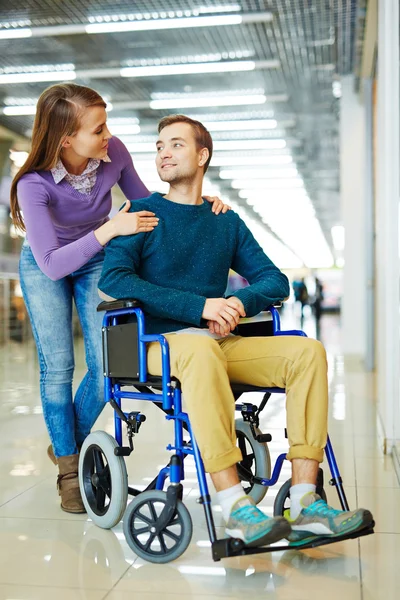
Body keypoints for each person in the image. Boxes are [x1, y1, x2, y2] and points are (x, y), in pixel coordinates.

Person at [98, 114, 373, 548]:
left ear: (202, 155)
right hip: (156, 345)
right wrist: (199, 306)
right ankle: (235, 506)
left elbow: (274, 280)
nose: (163, 153)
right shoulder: (142, 212)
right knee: (201, 350)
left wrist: (238, 303)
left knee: (307, 353)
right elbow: (114, 278)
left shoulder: (224, 220)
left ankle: (304, 502)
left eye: (175, 145)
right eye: (158, 146)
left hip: (218, 342)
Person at [10, 84, 229, 515]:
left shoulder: (112, 153)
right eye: (98, 129)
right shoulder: (33, 185)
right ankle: (70, 473)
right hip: (45, 261)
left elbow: (150, 204)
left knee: (108, 361)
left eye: (106, 124)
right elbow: (52, 263)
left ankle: (65, 444)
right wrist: (110, 230)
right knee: (58, 367)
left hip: (95, 260)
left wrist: (199, 204)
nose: (108, 134)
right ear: (66, 139)